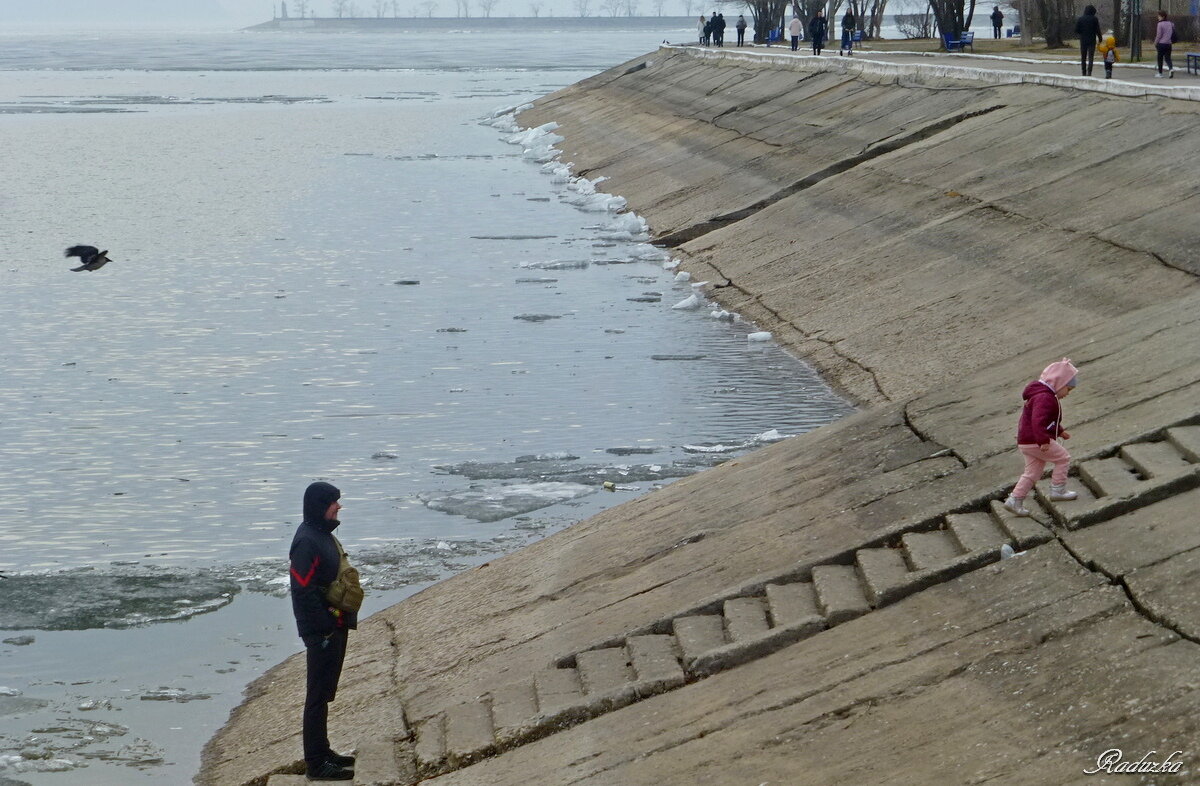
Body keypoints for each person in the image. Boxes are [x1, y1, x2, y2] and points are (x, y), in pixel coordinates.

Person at [290, 482, 359, 781]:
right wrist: (322, 631)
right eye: (334, 502)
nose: (339, 507)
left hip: (334, 626)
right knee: (316, 696)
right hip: (322, 632)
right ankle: (316, 764)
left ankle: (324, 751)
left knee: (325, 692)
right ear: (321, 506)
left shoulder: (322, 535)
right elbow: (301, 592)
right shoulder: (307, 542)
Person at [1003, 359, 1080, 517]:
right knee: (1063, 458)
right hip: (1035, 440)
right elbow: (1038, 421)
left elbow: (1048, 420)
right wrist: (1043, 441)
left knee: (1032, 473)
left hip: (1026, 441)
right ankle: (1058, 489)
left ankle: (1015, 499)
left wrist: (1059, 431)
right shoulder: (1045, 397)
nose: (1067, 394)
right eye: (1068, 389)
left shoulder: (1042, 395)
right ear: (1059, 383)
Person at [1075, 5, 1103, 76]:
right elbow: (1097, 30)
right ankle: (1089, 72)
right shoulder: (1094, 19)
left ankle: (1083, 72)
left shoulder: (1080, 19)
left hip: (1083, 40)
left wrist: (1081, 33)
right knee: (1091, 57)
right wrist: (1100, 38)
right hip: (1092, 40)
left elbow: (1076, 30)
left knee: (1083, 57)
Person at [1154, 10, 1176, 78]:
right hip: (1169, 44)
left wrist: (1155, 42)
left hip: (1161, 44)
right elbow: (1172, 32)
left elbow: (1159, 35)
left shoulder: (1160, 24)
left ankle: (1160, 73)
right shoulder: (1171, 23)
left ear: (1163, 17)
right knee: (1168, 58)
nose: (1158, 17)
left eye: (1159, 16)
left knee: (1160, 58)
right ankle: (1171, 69)